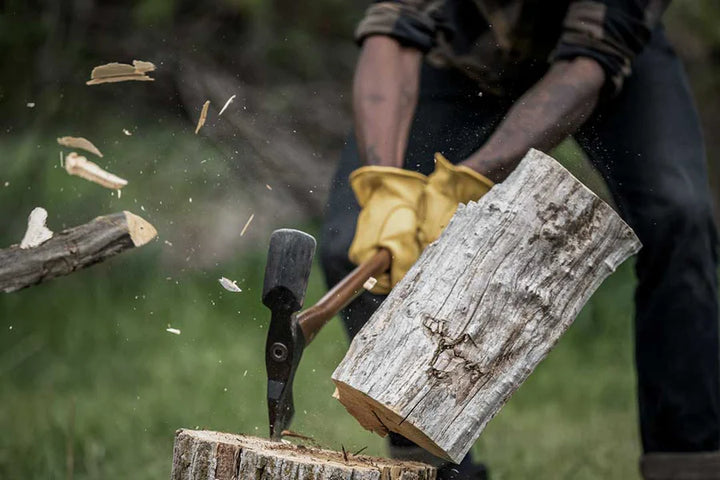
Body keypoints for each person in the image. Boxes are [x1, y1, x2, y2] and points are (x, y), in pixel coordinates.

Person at [320, 1, 720, 479]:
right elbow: (393, 25)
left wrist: (467, 180)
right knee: (353, 243)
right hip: (462, 48)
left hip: (607, 56)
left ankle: (689, 464)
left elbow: (591, 58)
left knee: (680, 217)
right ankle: (436, 473)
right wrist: (387, 186)